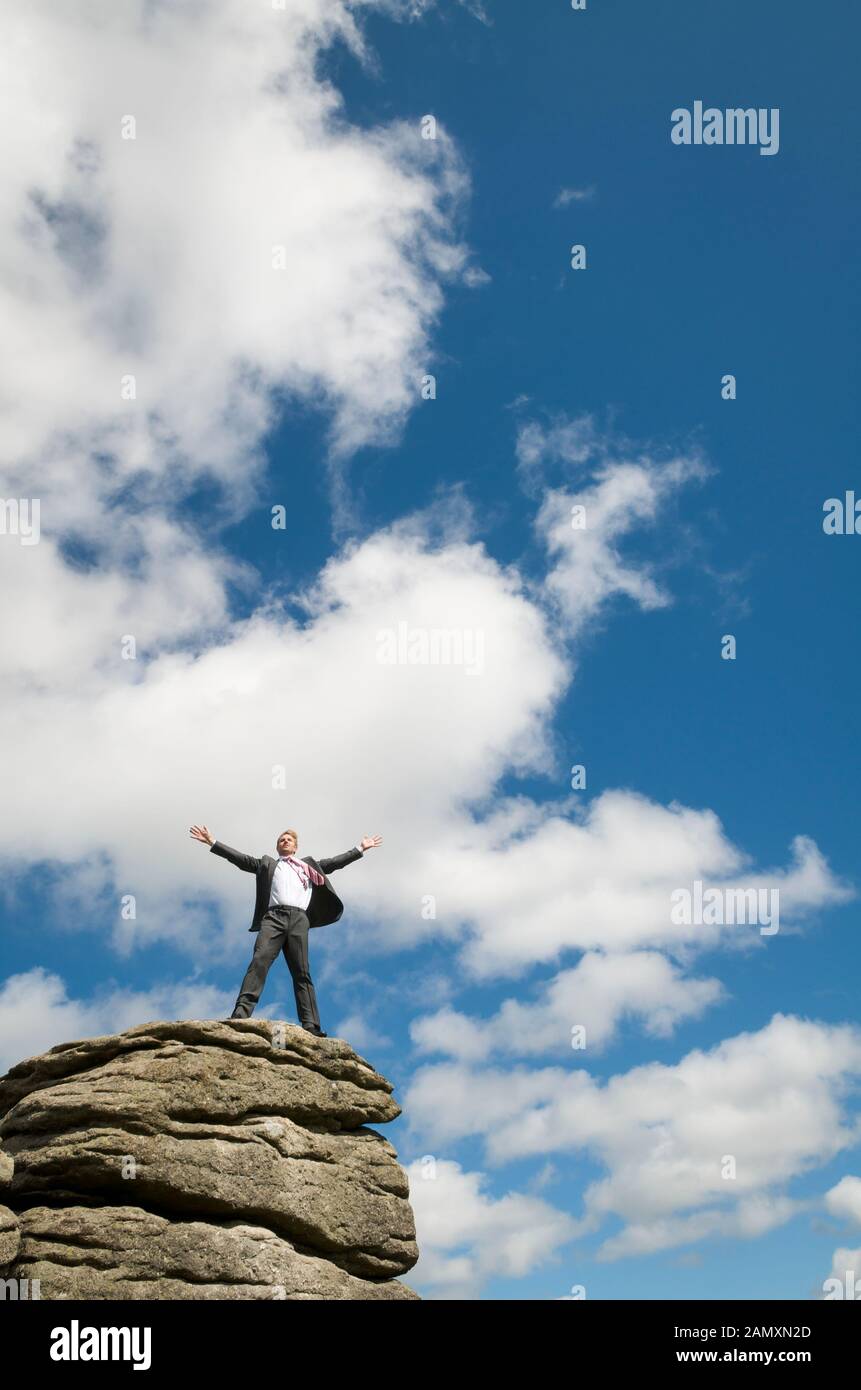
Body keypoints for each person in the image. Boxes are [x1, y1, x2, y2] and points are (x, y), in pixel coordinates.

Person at [190, 824, 381, 1035]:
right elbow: (240, 859)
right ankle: (240, 1015)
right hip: (273, 918)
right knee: (259, 961)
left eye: (289, 839)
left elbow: (336, 863)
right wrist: (212, 842)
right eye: (282, 839)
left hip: (299, 919)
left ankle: (311, 1025)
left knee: (302, 972)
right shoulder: (267, 864)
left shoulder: (309, 866)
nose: (285, 841)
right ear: (277, 846)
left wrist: (360, 848)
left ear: (296, 847)